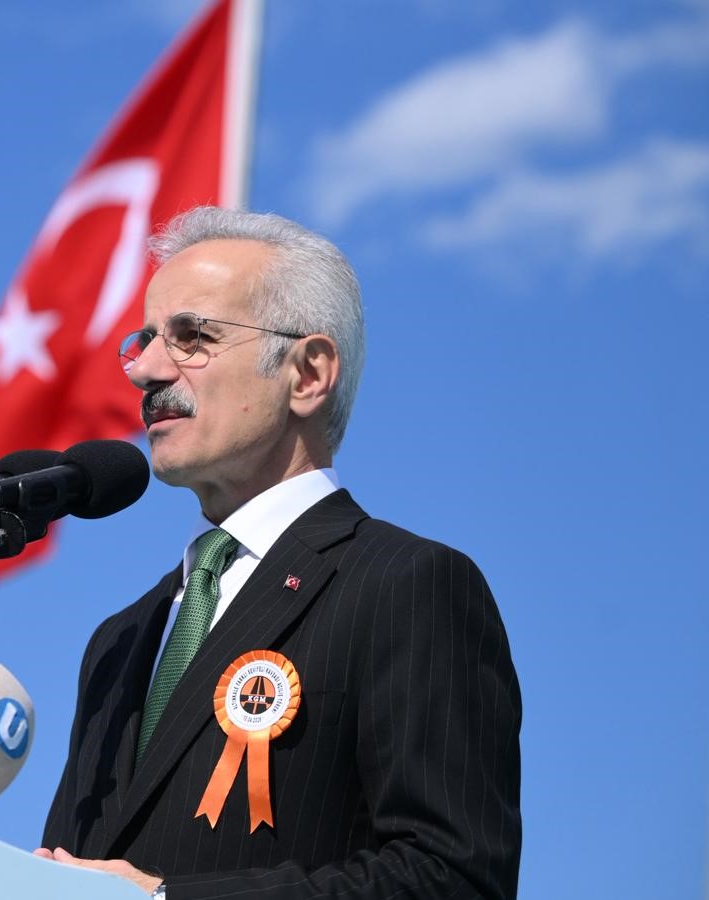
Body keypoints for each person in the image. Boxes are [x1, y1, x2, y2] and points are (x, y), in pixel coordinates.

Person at [35, 207, 521, 898]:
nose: (144, 370)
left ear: (308, 374)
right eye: (143, 340)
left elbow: (451, 879)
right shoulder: (119, 639)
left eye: (192, 336)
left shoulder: (407, 584)